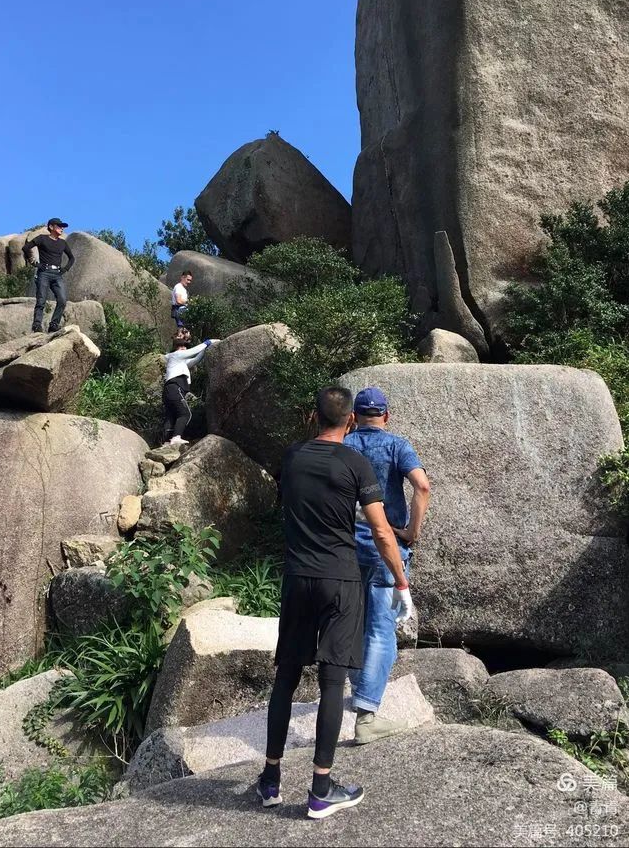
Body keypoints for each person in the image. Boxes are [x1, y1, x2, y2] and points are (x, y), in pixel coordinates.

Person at [257, 386, 412, 821]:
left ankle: (270, 781)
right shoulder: (355, 463)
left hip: (297, 578)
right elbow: (382, 532)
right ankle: (321, 790)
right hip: (340, 581)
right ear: (348, 422)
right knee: (331, 683)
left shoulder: (292, 457)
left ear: (312, 415)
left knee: (285, 678)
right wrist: (402, 585)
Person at [344, 387, 430, 745]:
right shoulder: (397, 445)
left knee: (352, 623)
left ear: (354, 417)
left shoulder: (343, 446)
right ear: (386, 416)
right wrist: (411, 531)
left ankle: (357, 688)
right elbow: (422, 486)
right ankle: (366, 715)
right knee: (382, 628)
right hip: (387, 548)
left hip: (345, 548)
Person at [161, 331, 219, 445]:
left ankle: (165, 441)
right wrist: (209, 342)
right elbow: (193, 352)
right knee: (185, 414)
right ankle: (176, 437)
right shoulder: (176, 355)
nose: (184, 349)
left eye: (184, 346)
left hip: (169, 390)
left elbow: (195, 359)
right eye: (182, 346)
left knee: (171, 416)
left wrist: (205, 350)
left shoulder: (179, 362)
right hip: (175, 388)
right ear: (177, 348)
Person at [22, 219, 75, 333]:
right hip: (44, 272)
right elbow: (26, 248)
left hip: (57, 275)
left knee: (62, 300)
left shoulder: (62, 243)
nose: (62, 228)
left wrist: (65, 269)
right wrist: (34, 263)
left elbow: (72, 258)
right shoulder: (42, 238)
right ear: (51, 227)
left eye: (63, 227)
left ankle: (54, 325)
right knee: (41, 300)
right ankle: (37, 326)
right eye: (59, 226)